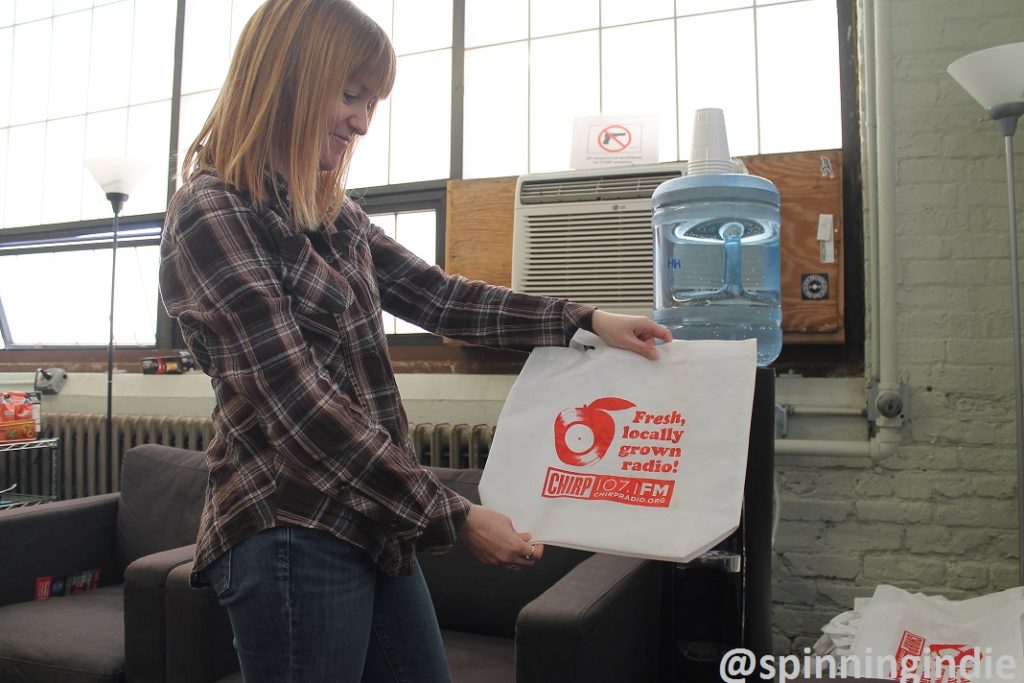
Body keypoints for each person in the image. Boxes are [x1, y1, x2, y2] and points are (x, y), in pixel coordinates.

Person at [158, 1, 673, 681]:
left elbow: (442, 296)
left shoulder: (333, 215)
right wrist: (454, 516)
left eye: (370, 102)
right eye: (349, 94)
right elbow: (301, 409)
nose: (362, 121)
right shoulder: (212, 213)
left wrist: (583, 318)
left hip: (370, 521)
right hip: (289, 527)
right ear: (285, 78)